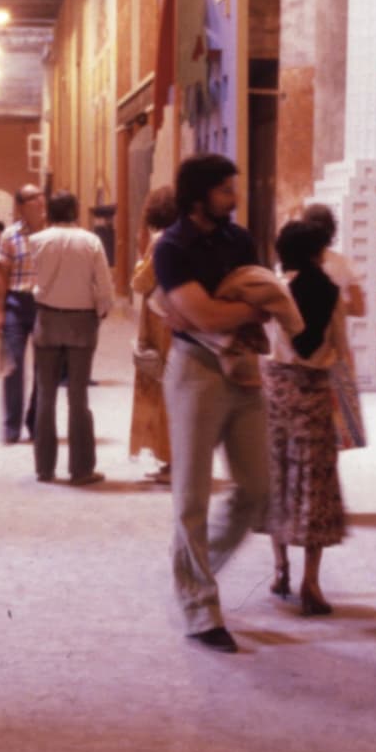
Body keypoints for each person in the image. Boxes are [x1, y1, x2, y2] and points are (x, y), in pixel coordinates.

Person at [152, 154, 269, 653]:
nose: (234, 198)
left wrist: (224, 311)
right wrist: (245, 308)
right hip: (195, 371)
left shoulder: (238, 240)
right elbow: (203, 315)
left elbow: (222, 308)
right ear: (199, 195)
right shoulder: (172, 246)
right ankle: (201, 608)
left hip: (242, 369)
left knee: (260, 486)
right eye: (224, 190)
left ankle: (193, 572)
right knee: (192, 495)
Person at [266, 217, 348, 616]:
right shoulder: (331, 293)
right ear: (318, 252)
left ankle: (280, 567)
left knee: (278, 477)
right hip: (314, 391)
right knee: (314, 483)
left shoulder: (275, 290)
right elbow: (341, 349)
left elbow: (260, 341)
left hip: (277, 391)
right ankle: (311, 581)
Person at [28, 191, 116, 485]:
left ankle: (44, 467)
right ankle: (81, 469)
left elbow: (34, 280)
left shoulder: (37, 241)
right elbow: (104, 286)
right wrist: (101, 312)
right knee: (78, 398)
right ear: (76, 212)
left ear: (49, 213)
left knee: (45, 395)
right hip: (81, 322)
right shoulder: (91, 242)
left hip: (47, 320)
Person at [0, 185, 48, 444]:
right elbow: (2, 275)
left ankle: (36, 422)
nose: (40, 201)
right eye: (34, 197)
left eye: (41, 196)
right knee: (13, 367)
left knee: (43, 368)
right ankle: (11, 425)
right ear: (21, 205)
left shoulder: (53, 234)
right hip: (16, 303)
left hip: (44, 305)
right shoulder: (10, 235)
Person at [128, 185, 177, 485]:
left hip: (160, 324)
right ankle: (174, 457)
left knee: (160, 387)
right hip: (180, 319)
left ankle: (170, 458)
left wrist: (138, 253)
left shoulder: (160, 241)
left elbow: (141, 281)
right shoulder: (186, 238)